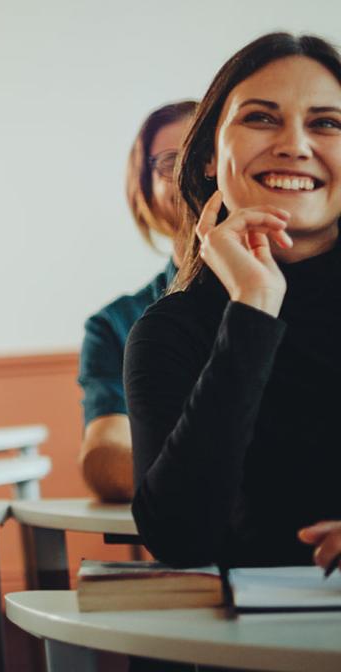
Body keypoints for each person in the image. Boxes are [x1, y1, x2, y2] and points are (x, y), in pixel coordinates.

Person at [126, 32, 341, 571]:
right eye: (261, 118)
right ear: (205, 159)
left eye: (327, 123)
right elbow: (179, 539)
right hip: (243, 641)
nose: (294, 145)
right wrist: (254, 306)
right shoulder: (167, 330)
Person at [78, 101, 198, 503]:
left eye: (207, 154)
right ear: (143, 186)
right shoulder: (115, 324)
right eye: (171, 162)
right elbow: (104, 452)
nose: (195, 173)